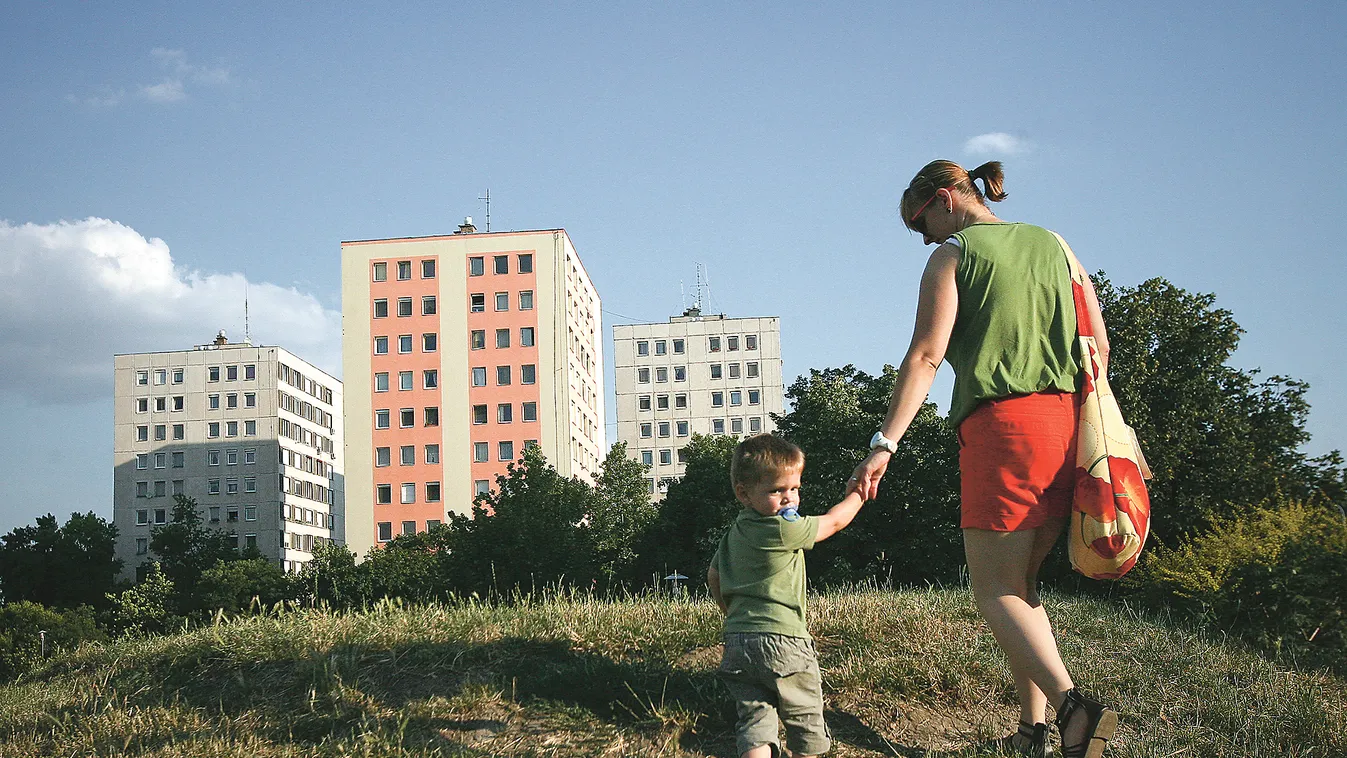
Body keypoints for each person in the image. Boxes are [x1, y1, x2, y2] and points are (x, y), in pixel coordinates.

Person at [847, 160, 1119, 758]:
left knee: (992, 588)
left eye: (923, 224)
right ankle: (1033, 732)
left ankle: (1074, 710)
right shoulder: (1055, 244)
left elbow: (925, 355)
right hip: (1070, 426)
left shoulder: (954, 257)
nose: (927, 239)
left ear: (946, 199)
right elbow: (1097, 338)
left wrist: (883, 443)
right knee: (1023, 586)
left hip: (1004, 428)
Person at [708, 434, 866, 758]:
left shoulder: (733, 533)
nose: (788, 499)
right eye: (776, 491)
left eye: (794, 489)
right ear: (744, 493)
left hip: (738, 641)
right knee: (804, 717)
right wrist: (859, 494)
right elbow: (834, 522)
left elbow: (713, 576)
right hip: (784, 641)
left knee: (755, 722)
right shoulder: (782, 529)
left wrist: (731, 612)